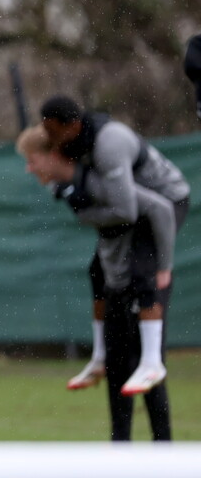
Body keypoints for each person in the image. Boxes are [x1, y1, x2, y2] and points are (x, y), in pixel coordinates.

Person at [17, 124, 179, 441]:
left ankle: (165, 452)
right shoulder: (68, 186)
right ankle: (120, 449)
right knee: (119, 368)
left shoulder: (99, 180)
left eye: (32, 159)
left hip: (142, 273)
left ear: (52, 155)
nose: (29, 168)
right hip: (114, 274)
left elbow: (160, 209)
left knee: (144, 367)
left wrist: (163, 268)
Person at [39, 95, 189, 397]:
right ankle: (100, 356)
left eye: (52, 131)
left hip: (165, 205)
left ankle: (152, 362)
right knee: (97, 272)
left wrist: (165, 266)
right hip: (136, 208)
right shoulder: (75, 147)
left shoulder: (109, 144)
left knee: (143, 274)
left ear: (71, 126)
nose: (49, 139)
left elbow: (128, 211)